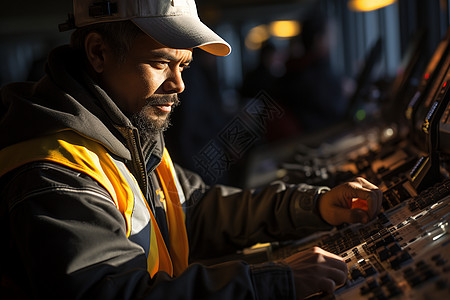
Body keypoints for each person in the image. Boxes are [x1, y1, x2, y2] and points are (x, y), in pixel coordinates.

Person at [0, 0, 382, 299]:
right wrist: (267, 285)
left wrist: (312, 205)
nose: (179, 84)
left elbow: (195, 211)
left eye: (185, 66)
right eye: (161, 62)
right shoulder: (53, 174)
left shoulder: (126, 134)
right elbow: (110, 292)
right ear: (98, 53)